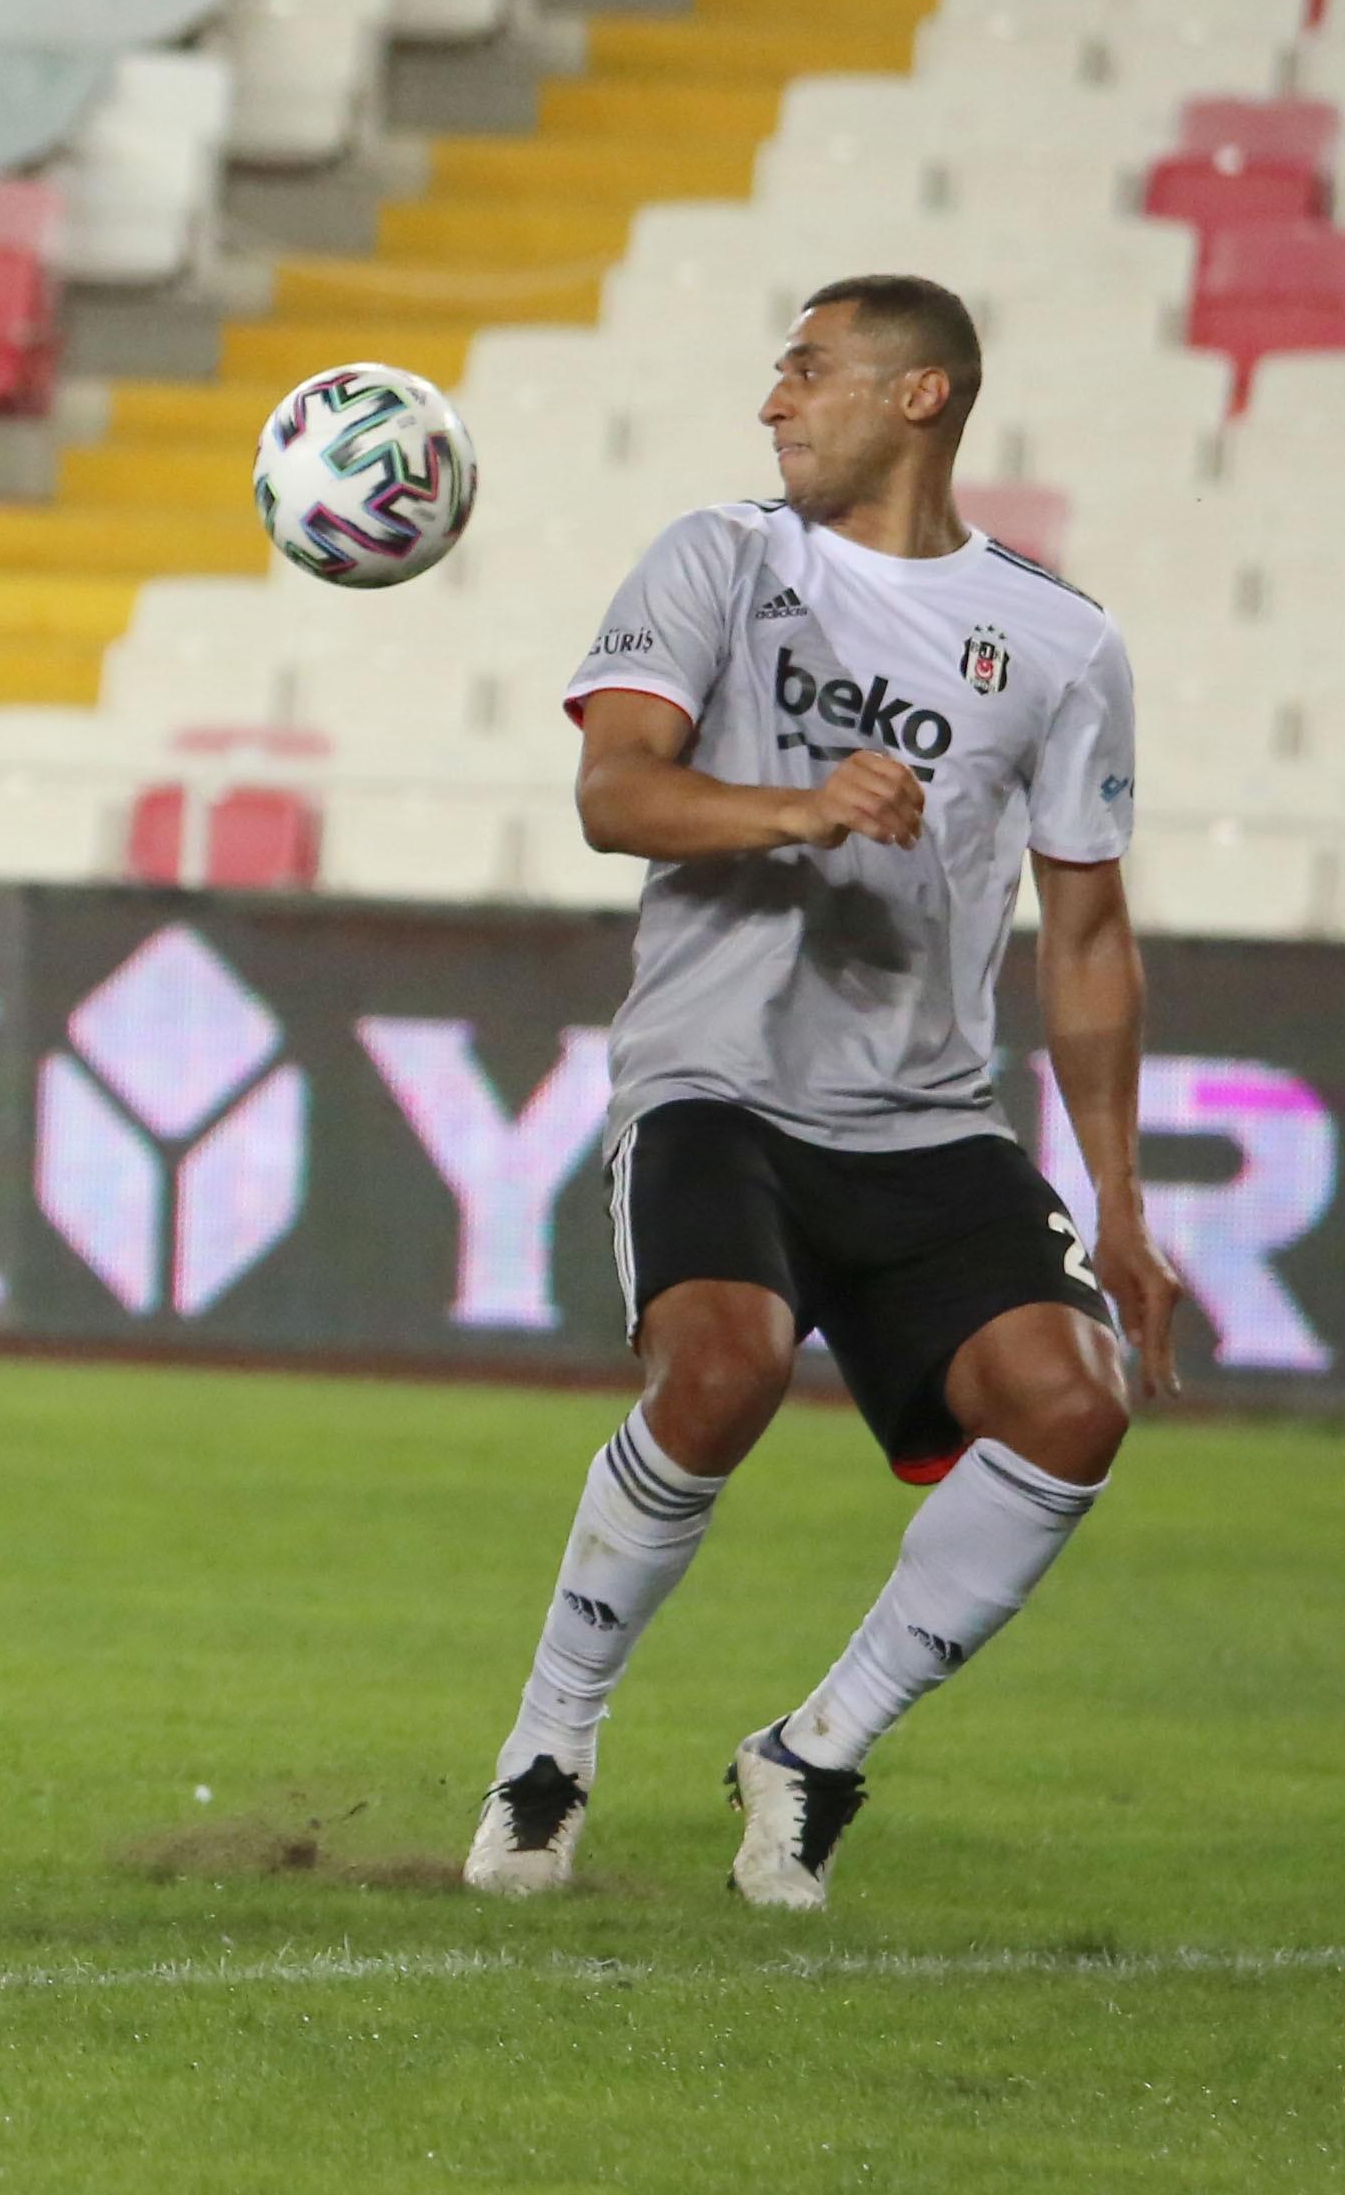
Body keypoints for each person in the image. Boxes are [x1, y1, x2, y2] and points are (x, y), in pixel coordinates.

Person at [460, 275, 1181, 1911]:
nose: (774, 403)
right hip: (714, 1081)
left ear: (919, 398)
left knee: (1073, 1409)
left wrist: (1122, 1205)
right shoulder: (718, 559)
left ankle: (816, 1750)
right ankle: (549, 1751)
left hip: (926, 1113)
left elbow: (1085, 932)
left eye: (807, 371)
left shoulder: (1062, 645)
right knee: (723, 1365)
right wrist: (798, 805)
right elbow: (615, 792)